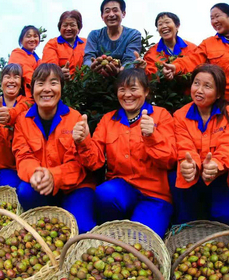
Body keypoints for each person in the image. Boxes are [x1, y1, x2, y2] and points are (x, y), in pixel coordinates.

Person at [73, 68, 176, 237]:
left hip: (154, 195)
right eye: (122, 89)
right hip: (122, 188)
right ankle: (112, 230)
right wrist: (83, 141)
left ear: (146, 91)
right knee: (105, 194)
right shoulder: (108, 120)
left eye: (133, 89)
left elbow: (170, 160)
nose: (127, 94)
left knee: (141, 241)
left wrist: (152, 137)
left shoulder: (161, 116)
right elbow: (95, 161)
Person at [12, 63, 96, 233]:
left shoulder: (75, 118)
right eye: (41, 83)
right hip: (42, 188)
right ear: (32, 89)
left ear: (61, 88)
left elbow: (79, 164)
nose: (47, 89)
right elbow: (23, 156)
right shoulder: (23, 120)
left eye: (53, 83)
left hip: (75, 188)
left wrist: (54, 176)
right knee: (25, 191)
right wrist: (36, 173)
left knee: (83, 230)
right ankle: (48, 216)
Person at [170, 64, 229, 225]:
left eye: (207, 86)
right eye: (196, 83)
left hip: (221, 175)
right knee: (186, 217)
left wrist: (216, 164)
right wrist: (191, 165)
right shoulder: (180, 116)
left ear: (218, 93)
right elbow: (184, 146)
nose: (199, 90)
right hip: (194, 175)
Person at [163, 3, 229, 107]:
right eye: (211, 18)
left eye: (217, 16)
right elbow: (193, 59)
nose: (214, 21)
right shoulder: (208, 44)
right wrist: (175, 67)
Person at [83, 0, 142, 76]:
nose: (111, 14)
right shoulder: (94, 35)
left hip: (123, 81)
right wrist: (92, 66)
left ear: (123, 13)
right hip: (98, 81)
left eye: (115, 10)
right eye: (107, 11)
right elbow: (88, 58)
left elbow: (130, 60)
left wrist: (120, 70)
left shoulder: (133, 35)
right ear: (102, 16)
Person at [143, 12, 197, 78]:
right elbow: (149, 77)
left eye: (167, 22)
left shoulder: (192, 48)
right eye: (160, 24)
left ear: (177, 26)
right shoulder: (150, 53)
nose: (164, 26)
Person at [41, 10, 86, 80]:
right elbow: (49, 68)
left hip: (85, 88)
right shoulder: (52, 44)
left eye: (72, 25)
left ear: (78, 28)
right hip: (61, 87)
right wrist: (59, 73)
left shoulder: (86, 43)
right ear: (60, 28)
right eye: (65, 25)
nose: (68, 28)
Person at [8, 25, 41, 99]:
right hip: (20, 96)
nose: (32, 39)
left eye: (35, 36)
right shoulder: (17, 53)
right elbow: (27, 72)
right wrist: (40, 87)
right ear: (21, 40)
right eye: (28, 36)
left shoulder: (37, 59)